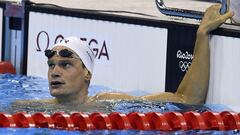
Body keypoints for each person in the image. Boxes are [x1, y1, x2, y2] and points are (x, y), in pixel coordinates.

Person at [16, 4, 234, 106]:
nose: (55, 71)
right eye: (51, 65)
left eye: (65, 64)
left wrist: (202, 34)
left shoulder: (109, 104)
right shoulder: (28, 108)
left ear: (87, 74)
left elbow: (187, 100)